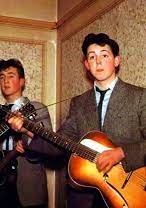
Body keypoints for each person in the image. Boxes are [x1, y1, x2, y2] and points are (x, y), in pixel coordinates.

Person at [8, 33, 146, 208]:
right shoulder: (78, 103)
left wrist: (122, 152)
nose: (98, 61)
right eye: (92, 57)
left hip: (130, 194)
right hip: (84, 198)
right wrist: (28, 130)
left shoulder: (140, 96)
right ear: (87, 65)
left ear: (117, 60)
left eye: (104, 55)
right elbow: (60, 143)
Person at [0, 58, 63, 208]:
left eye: (11, 76)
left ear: (22, 81)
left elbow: (51, 146)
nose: (5, 81)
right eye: (2, 77)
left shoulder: (37, 108)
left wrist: (28, 144)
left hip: (28, 186)